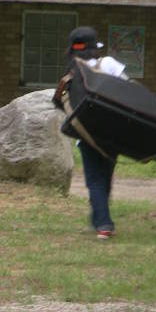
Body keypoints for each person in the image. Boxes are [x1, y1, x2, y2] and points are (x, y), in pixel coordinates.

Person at [64, 26, 127, 240]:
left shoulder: (72, 73)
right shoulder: (108, 63)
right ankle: (101, 219)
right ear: (94, 48)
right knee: (105, 175)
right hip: (114, 131)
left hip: (86, 134)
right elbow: (128, 88)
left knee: (94, 179)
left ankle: (102, 223)